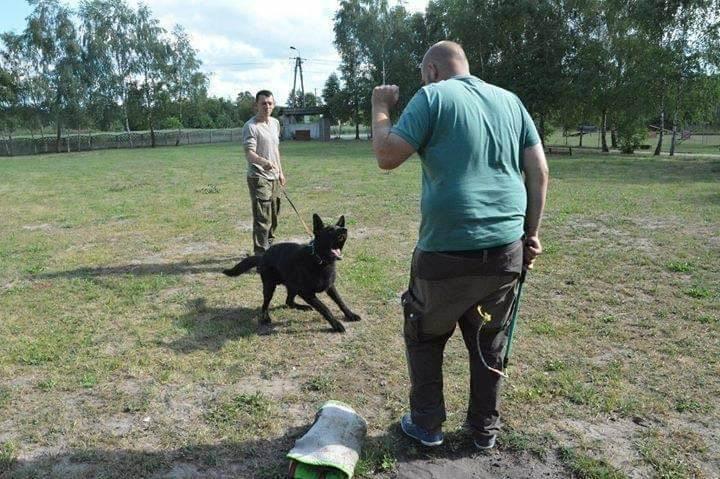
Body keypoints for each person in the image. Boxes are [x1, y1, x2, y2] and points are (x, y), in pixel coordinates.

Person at [371, 41, 549, 450]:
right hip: (506, 251)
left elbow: (386, 155)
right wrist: (531, 233)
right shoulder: (511, 101)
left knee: (425, 334)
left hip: (445, 254)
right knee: (490, 342)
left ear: (432, 70)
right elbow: (538, 172)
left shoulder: (432, 96)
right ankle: (484, 431)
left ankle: (427, 425)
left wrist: (381, 107)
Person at [242, 90, 286, 255]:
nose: (267, 106)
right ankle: (261, 256)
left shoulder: (275, 123)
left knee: (274, 216)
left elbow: (275, 150)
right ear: (256, 105)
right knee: (263, 219)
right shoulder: (251, 126)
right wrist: (264, 162)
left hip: (274, 177)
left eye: (270, 103)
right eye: (263, 103)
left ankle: (270, 250)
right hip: (258, 177)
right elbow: (249, 154)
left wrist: (280, 172)